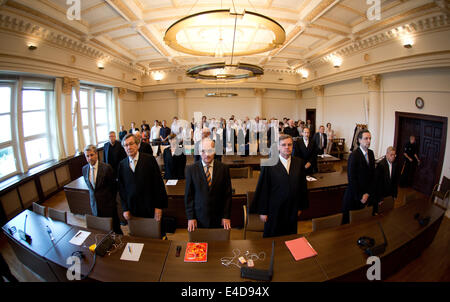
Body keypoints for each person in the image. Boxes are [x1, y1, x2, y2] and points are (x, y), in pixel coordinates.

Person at [252, 134, 309, 238]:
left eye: (289, 144)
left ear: (293, 146)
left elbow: (302, 187)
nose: (287, 147)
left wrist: (300, 206)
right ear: (278, 147)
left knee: (290, 236)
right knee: (273, 237)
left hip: (292, 208)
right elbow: (263, 189)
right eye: (283, 145)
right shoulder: (268, 164)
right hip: (274, 209)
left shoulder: (299, 163)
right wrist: (263, 211)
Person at [184, 138, 232, 231]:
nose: (206, 155)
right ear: (198, 151)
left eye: (210, 151)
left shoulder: (224, 168)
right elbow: (188, 196)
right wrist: (191, 217)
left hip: (219, 218)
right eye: (203, 151)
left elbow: (227, 195)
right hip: (198, 218)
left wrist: (226, 216)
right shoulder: (191, 169)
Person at [118, 134, 168, 221]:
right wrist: (125, 208)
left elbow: (158, 185)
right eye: (126, 145)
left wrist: (158, 206)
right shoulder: (122, 165)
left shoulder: (150, 160)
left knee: (154, 233)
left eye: (131, 144)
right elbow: (122, 190)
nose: (129, 147)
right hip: (132, 209)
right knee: (136, 234)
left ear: (138, 145)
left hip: (150, 207)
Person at [82, 145, 122, 234]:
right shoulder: (84, 169)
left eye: (91, 155)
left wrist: (111, 202)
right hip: (95, 205)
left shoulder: (106, 168)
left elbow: (114, 187)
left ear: (96, 154)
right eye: (87, 156)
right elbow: (91, 188)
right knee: (101, 229)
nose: (89, 158)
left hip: (108, 205)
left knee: (115, 229)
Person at [341, 130, 375, 224]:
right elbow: (352, 178)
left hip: (366, 194)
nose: (368, 141)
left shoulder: (371, 154)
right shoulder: (354, 155)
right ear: (359, 140)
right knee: (350, 223)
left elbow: (372, 176)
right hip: (354, 196)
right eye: (366, 138)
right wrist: (360, 196)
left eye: (370, 138)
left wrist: (368, 193)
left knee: (362, 222)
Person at [374, 146, 399, 214]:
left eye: (394, 155)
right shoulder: (381, 165)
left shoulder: (395, 164)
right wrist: (379, 198)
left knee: (388, 212)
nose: (393, 156)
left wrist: (394, 195)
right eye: (391, 155)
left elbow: (395, 181)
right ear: (387, 154)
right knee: (380, 213)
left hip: (390, 194)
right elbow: (377, 184)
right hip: (382, 194)